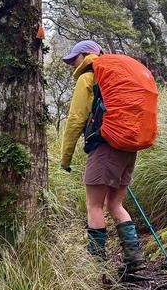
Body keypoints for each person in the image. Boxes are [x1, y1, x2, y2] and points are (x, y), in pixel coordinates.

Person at [59, 40, 144, 274]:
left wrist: (65, 159)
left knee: (94, 205)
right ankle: (134, 260)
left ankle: (97, 268)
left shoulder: (89, 78)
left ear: (86, 55)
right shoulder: (118, 77)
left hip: (104, 147)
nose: (71, 64)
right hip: (128, 147)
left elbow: (76, 119)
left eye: (73, 58)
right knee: (115, 203)